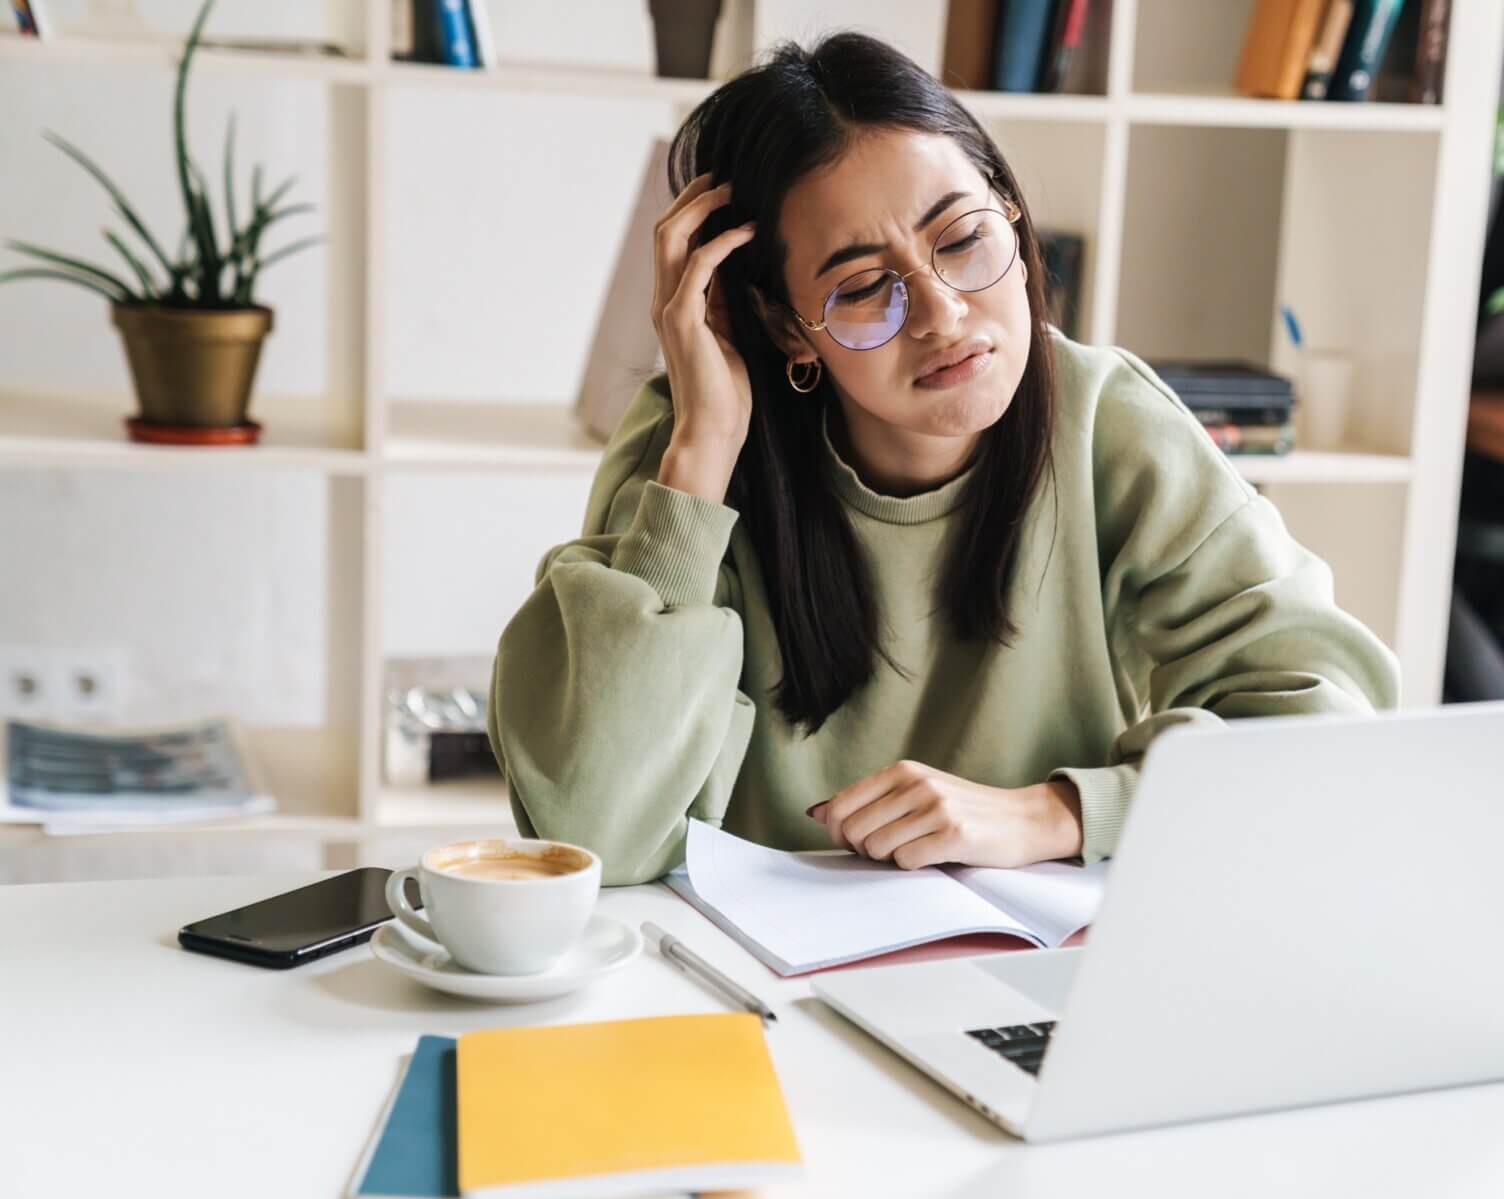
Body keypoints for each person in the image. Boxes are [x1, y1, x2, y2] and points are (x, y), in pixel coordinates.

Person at [487, 32, 1399, 885]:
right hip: (753, 997)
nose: (941, 314)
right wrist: (701, 458)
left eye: (962, 239)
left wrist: (1057, 814)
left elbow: (1328, 730)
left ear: (1010, 211)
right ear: (783, 325)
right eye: (860, 288)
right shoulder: (685, 445)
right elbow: (594, 837)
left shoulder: (1105, 421)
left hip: (1037, 984)